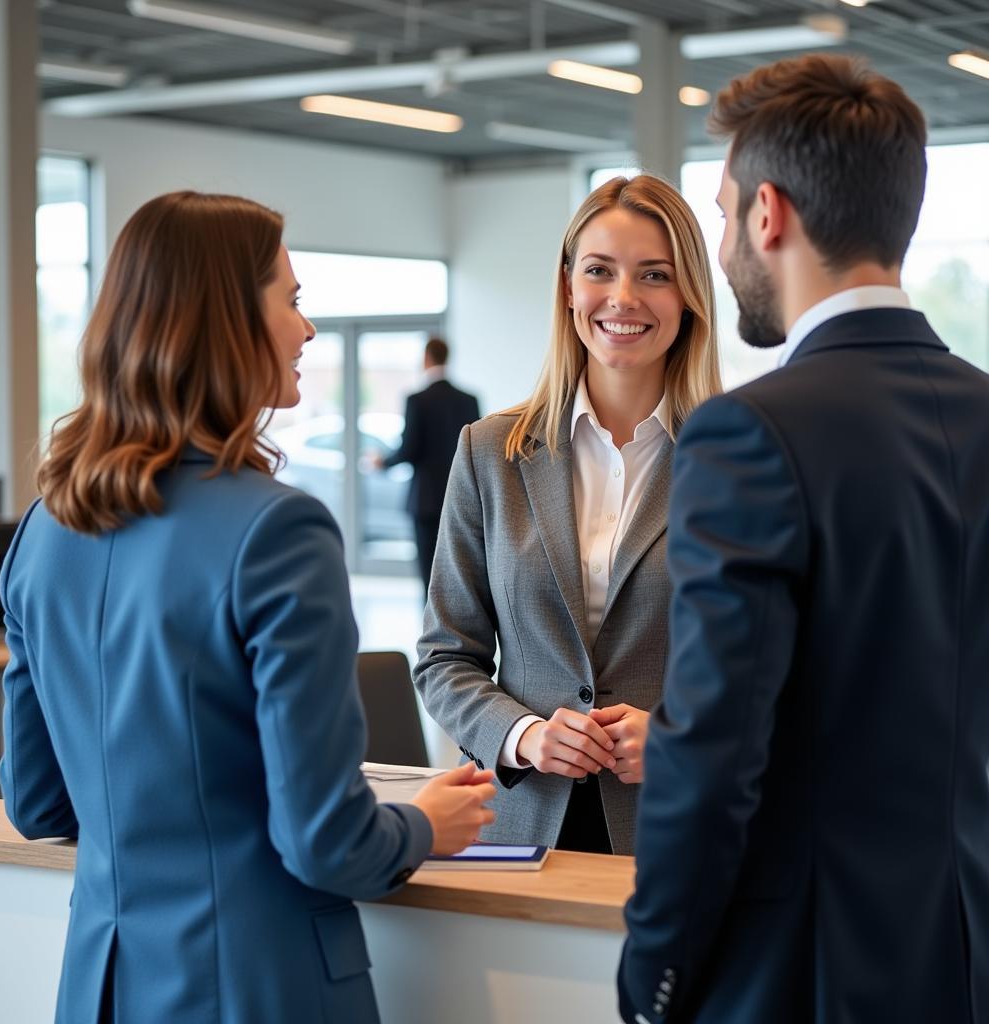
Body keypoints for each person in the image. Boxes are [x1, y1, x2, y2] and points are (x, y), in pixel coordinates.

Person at [0, 191, 496, 1024]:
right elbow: (328, 843)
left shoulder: (44, 528)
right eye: (292, 300)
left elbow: (38, 804)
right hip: (256, 990)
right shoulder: (278, 529)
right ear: (225, 319)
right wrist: (423, 824)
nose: (306, 330)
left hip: (101, 989)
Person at [619, 55, 989, 1024]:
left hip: (806, 973)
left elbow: (710, 752)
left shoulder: (750, 431)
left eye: (723, 208)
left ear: (768, 213)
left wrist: (653, 976)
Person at [415, 175, 721, 855]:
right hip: (524, 833)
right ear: (567, 288)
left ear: (689, 296)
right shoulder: (490, 451)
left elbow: (793, 672)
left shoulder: (745, 460)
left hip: (683, 833)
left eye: (654, 274)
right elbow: (444, 658)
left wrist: (684, 736)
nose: (623, 298)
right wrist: (523, 735)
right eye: (598, 271)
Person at [375, 337, 479, 597]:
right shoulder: (468, 400)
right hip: (463, 498)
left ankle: (432, 629)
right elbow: (478, 450)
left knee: (428, 573)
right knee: (461, 572)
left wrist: (382, 462)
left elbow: (408, 450)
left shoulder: (417, 400)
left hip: (425, 501)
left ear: (426, 358)